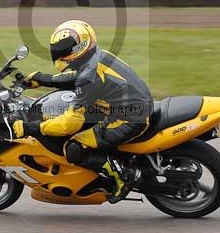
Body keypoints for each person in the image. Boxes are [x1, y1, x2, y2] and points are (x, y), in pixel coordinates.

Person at [11, 20, 153, 203]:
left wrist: (31, 128)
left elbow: (69, 124)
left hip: (130, 118)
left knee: (74, 147)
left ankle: (124, 176)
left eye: (61, 49)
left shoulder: (88, 77)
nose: (58, 52)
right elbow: (75, 77)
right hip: (130, 105)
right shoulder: (96, 57)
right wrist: (42, 79)